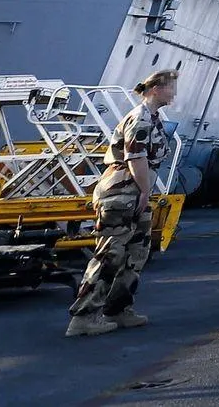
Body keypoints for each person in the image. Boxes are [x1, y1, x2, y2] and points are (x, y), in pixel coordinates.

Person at [66, 69, 178, 337]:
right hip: (122, 194)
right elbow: (135, 158)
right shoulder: (139, 119)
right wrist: (143, 191)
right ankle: (83, 316)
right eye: (171, 87)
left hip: (135, 194)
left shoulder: (153, 119)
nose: (174, 93)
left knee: (136, 253)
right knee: (109, 255)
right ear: (155, 89)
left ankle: (117, 309)